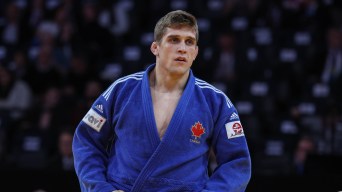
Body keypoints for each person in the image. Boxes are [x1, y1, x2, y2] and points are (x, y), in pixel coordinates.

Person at [72, 10, 251, 192]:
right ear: (155, 47)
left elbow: (236, 162)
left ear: (196, 52)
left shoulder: (216, 101)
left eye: (189, 42)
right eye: (174, 40)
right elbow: (86, 141)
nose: (182, 48)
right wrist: (100, 189)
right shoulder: (121, 90)